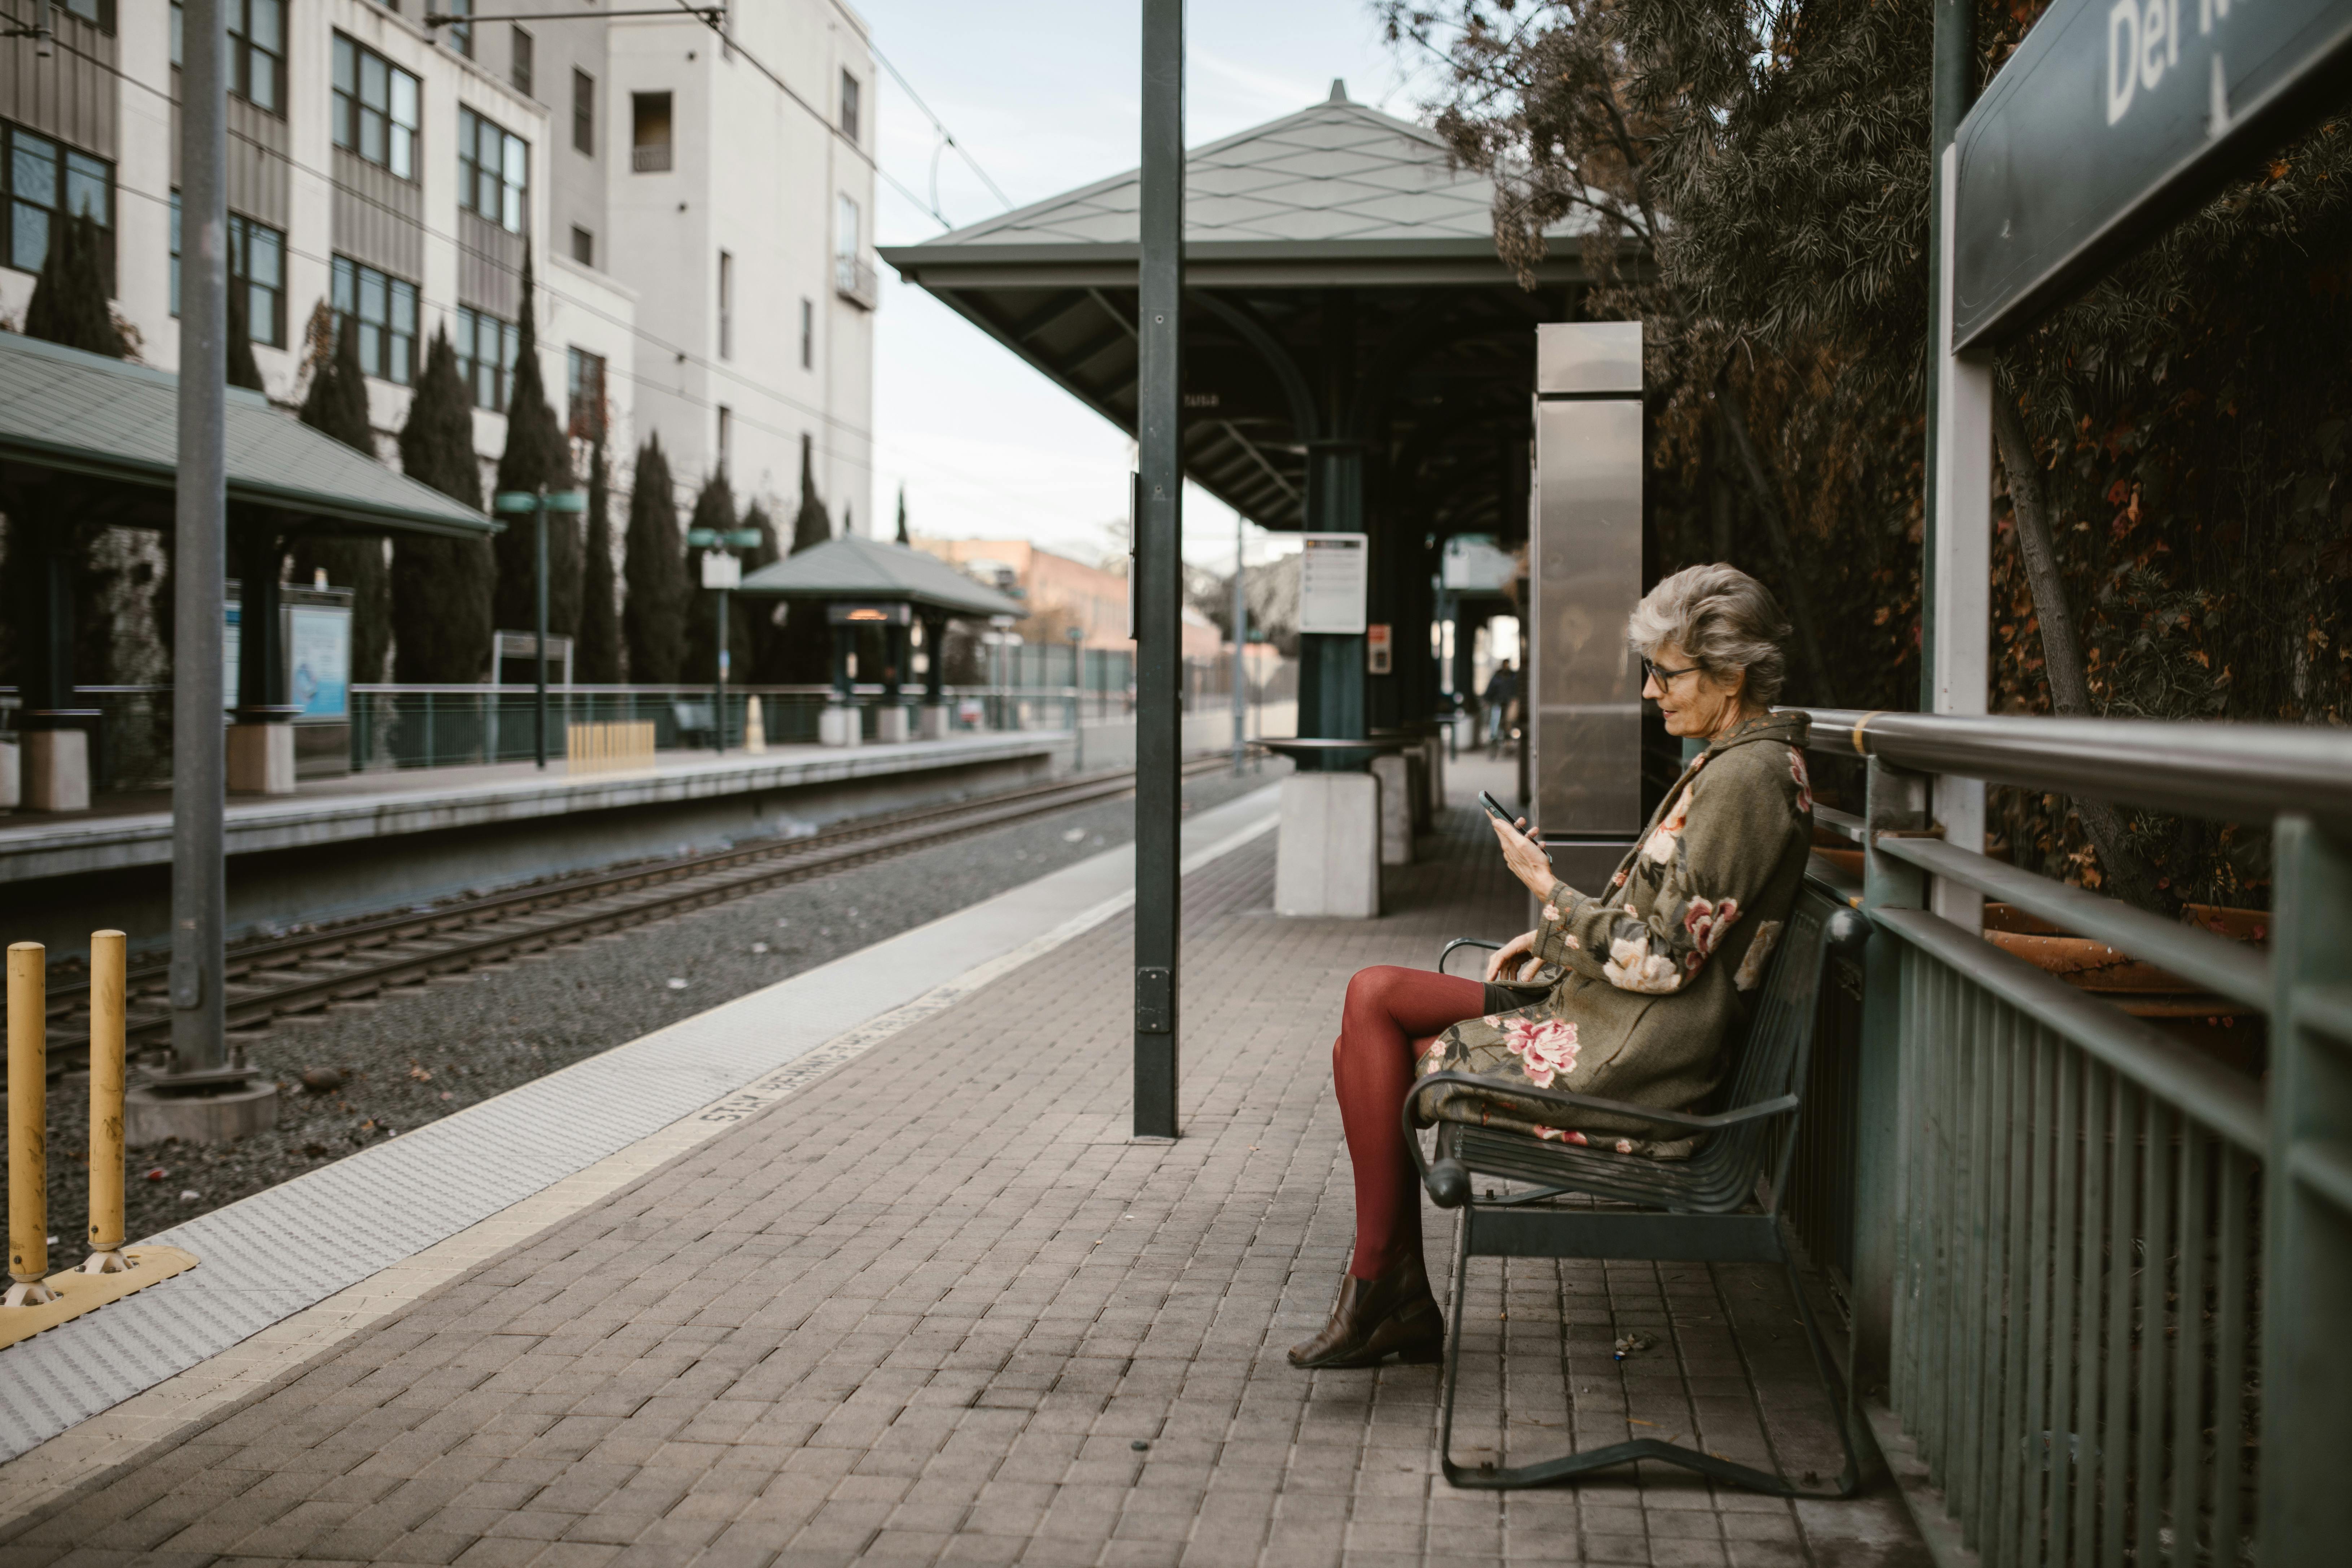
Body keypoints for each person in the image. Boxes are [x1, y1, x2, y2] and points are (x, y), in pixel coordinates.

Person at [1288, 563, 1815, 1369]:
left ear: (1732, 673)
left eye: (1665, 674)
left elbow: (1664, 959)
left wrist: (1547, 892)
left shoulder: (1747, 780)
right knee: (1374, 997)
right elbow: (1665, 931)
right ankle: (1388, 1284)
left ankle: (1385, 1286)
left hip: (1637, 1060)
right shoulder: (1733, 760)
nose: (1650, 693)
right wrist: (1552, 936)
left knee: (1383, 1053)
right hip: (1604, 1014)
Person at [1481, 660, 1518, 756]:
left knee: (1509, 723)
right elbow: (1490, 690)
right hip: (1498, 703)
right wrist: (1487, 700)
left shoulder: (1513, 677)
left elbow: (1516, 690)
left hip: (1509, 703)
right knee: (1495, 722)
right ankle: (1494, 739)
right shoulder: (1498, 677)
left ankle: (1508, 742)